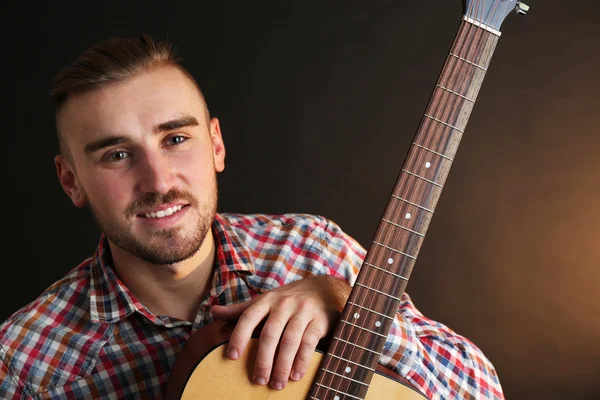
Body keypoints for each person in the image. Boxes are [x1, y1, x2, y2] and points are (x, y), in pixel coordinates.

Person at [0, 35, 504, 399]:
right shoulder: (25, 365)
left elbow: (480, 390)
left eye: (176, 139)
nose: (157, 180)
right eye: (115, 154)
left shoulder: (313, 247)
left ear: (216, 144)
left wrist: (347, 306)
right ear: (70, 181)